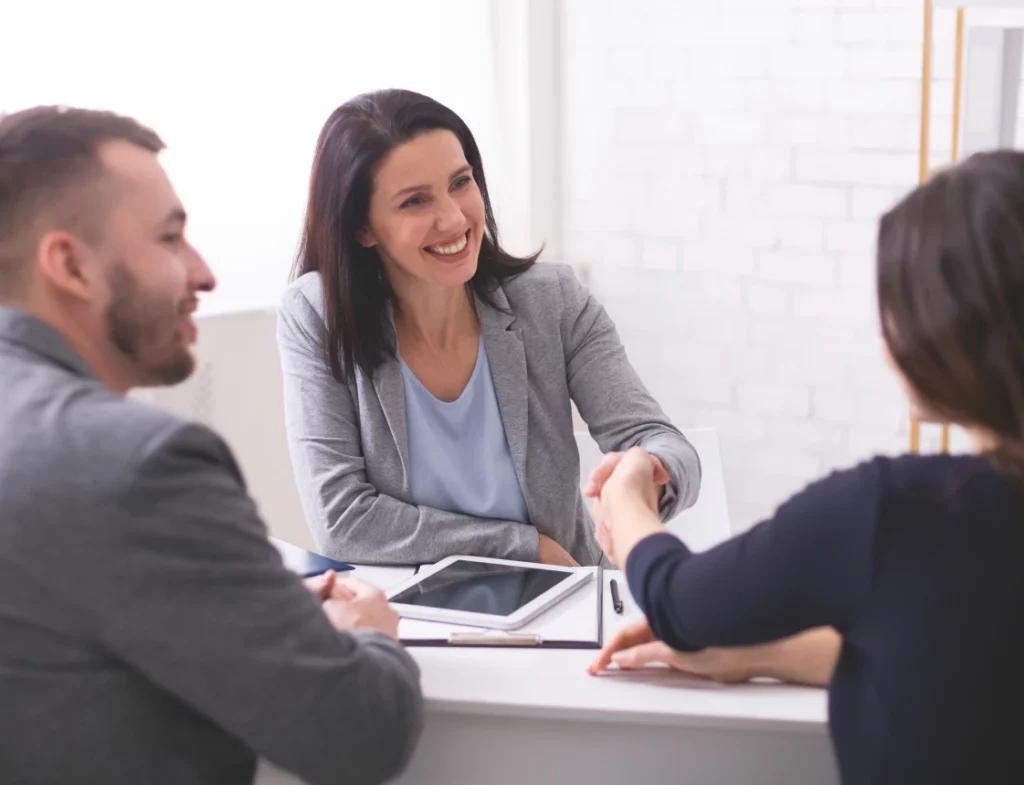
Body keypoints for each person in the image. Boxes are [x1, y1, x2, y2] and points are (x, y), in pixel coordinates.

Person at [0, 106, 423, 785]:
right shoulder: (136, 463)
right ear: (69, 265)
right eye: (171, 239)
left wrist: (250, 600)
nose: (203, 273)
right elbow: (359, 735)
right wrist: (372, 629)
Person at [586, 151, 1024, 784]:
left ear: (951, 327)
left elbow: (676, 599)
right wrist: (764, 653)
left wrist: (627, 496)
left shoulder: (897, 512)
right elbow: (959, 656)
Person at [277, 88, 701, 567]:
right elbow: (342, 520)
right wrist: (522, 547)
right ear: (362, 228)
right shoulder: (317, 316)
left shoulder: (553, 300)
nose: (455, 218)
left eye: (461, 182)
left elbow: (663, 442)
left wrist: (645, 467)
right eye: (415, 201)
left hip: (565, 604)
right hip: (414, 616)